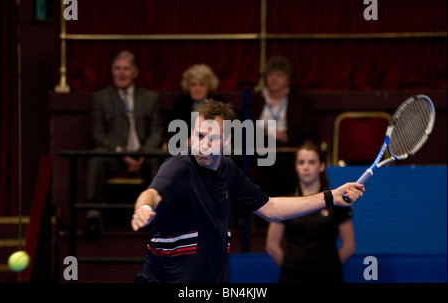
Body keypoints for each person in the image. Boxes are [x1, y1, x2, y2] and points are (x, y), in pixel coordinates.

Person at [130, 99, 364, 283]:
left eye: (213, 137)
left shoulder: (229, 171)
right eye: (198, 135)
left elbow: (271, 208)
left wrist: (330, 196)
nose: (203, 144)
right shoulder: (179, 167)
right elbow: (153, 192)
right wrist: (144, 207)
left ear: (227, 140)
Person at [85, 50, 163, 240]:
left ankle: (158, 217)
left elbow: (156, 132)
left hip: (144, 156)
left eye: (126, 69)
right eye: (117, 69)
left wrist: (142, 155)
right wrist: (121, 153)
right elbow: (98, 135)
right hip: (115, 157)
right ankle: (93, 215)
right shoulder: (100, 98)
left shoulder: (150, 98)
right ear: (112, 72)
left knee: (159, 159)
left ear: (135, 72)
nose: (121, 73)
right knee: (97, 156)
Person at [266, 141, 355, 283]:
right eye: (301, 162)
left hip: (329, 276)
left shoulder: (337, 202)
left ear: (321, 166)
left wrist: (328, 268)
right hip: (292, 276)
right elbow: (272, 246)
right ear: (296, 167)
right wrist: (291, 269)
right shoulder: (285, 202)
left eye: (311, 162)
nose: (306, 167)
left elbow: (349, 246)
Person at [250, 55, 318, 197]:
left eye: (279, 75)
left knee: (276, 162)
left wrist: (287, 136)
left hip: (287, 150)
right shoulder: (255, 99)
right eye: (270, 75)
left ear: (288, 79)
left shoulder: (300, 100)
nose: (273, 79)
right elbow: (246, 124)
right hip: (257, 148)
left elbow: (310, 127)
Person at [167, 64, 221, 149]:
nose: (197, 88)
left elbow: (226, 133)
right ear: (188, 87)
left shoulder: (218, 104)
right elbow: (173, 136)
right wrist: (187, 142)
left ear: (209, 86)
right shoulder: (180, 105)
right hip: (186, 152)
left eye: (202, 84)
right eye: (193, 84)